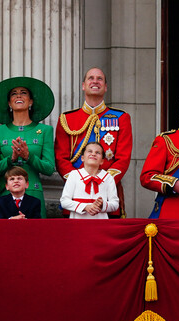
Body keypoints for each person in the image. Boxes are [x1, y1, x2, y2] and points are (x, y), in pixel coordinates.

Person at [54, 67, 132, 217]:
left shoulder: (121, 117)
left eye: (99, 79)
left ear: (106, 87)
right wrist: (78, 182)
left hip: (108, 194)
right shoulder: (67, 119)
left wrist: (104, 182)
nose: (95, 81)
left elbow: (123, 158)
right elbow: (60, 158)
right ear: (83, 85)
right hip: (75, 195)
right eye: (91, 78)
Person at [0, 76, 55, 218]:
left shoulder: (45, 130)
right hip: (7, 198)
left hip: (34, 195)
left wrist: (28, 157)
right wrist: (10, 159)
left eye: (23, 92)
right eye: (14, 93)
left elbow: (49, 168)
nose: (18, 95)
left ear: (31, 101)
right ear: (9, 104)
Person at [60, 142, 119, 219]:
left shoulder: (108, 178)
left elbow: (115, 204)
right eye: (90, 151)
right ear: (82, 158)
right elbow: (64, 201)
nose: (93, 154)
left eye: (98, 153)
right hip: (78, 223)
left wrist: (103, 205)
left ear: (102, 161)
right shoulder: (74, 175)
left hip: (100, 223)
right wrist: (85, 207)